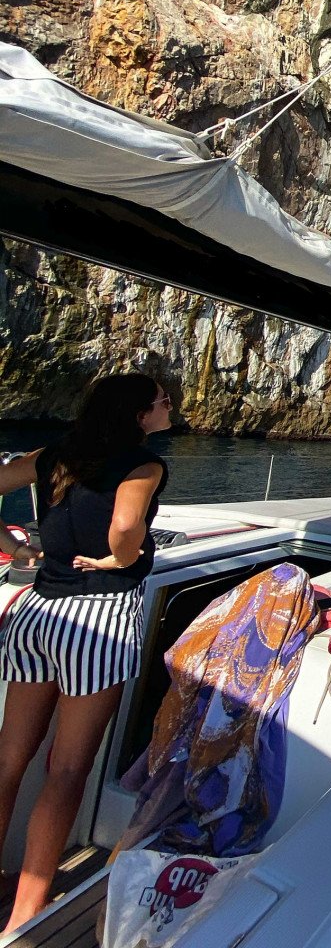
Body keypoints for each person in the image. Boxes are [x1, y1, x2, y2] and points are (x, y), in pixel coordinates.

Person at [0, 372, 171, 932]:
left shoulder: (56, 456)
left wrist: (12, 546)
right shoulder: (145, 465)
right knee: (68, 769)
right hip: (96, 621)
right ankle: (27, 910)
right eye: (163, 401)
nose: (170, 406)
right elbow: (125, 528)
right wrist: (123, 558)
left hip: (35, 614)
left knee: (8, 760)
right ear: (140, 414)